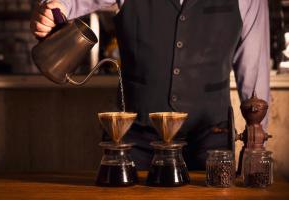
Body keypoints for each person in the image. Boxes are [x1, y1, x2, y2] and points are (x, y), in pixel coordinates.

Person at [30, 0, 270, 170]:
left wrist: (256, 149)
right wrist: (55, 8)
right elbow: (67, 2)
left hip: (211, 142)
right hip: (134, 142)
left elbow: (255, 78)